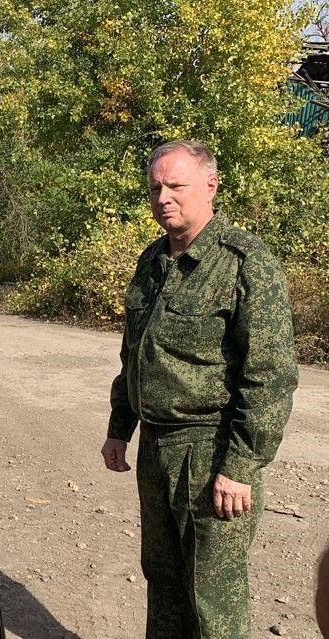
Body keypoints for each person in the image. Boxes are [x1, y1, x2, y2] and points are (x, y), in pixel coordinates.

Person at [101, 139, 298, 638]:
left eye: (175, 185)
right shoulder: (151, 263)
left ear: (210, 186)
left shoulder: (243, 262)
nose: (163, 197)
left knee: (213, 596)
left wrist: (240, 466)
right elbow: (134, 356)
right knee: (163, 582)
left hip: (210, 450)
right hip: (156, 450)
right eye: (155, 187)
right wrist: (120, 426)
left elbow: (270, 374)